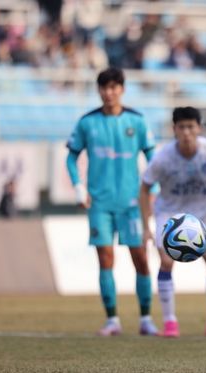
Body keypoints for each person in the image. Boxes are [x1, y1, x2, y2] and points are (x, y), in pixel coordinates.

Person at [66, 67, 158, 337]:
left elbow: (153, 158)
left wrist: (154, 190)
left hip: (132, 202)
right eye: (105, 88)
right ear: (99, 91)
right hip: (100, 203)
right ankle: (112, 320)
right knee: (105, 259)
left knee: (140, 258)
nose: (109, 92)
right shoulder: (87, 122)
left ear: (122, 89)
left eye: (114, 87)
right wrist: (79, 186)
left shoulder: (137, 121)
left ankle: (145, 319)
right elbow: (71, 157)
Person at [139, 107, 206, 339]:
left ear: (199, 128)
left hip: (201, 217)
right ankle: (169, 323)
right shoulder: (163, 157)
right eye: (181, 127)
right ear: (174, 129)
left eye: (190, 127)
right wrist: (147, 227)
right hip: (170, 216)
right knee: (166, 262)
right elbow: (145, 188)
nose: (186, 132)